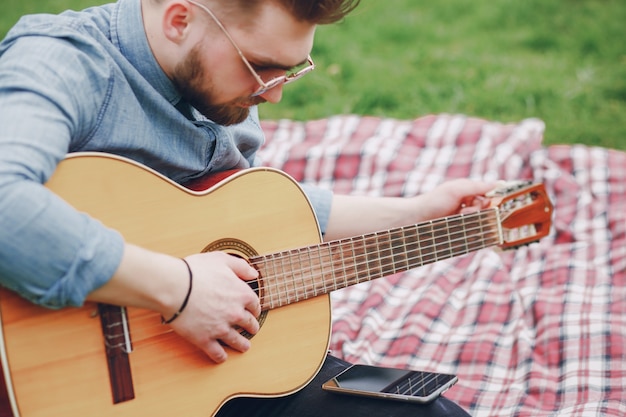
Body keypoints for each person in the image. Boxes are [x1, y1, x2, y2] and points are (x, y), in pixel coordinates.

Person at [0, 0, 492, 415]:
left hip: (212, 374)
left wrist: (417, 213)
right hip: (79, 388)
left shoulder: (221, 83)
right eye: (262, 67)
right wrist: (180, 289)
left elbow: (245, 211)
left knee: (425, 409)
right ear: (179, 20)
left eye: (291, 69)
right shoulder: (63, 60)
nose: (274, 94)